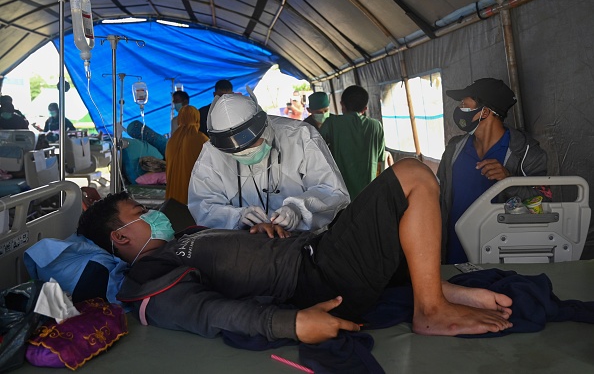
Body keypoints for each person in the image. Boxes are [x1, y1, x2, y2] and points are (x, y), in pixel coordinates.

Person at [77, 158, 513, 344]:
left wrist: (258, 236)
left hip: (311, 250)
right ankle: (431, 308)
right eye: (140, 211)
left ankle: (434, 287)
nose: (154, 213)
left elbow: (230, 259)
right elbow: (204, 313)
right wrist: (292, 323)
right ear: (121, 237)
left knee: (400, 219)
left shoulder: (181, 240)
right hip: (317, 274)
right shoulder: (150, 275)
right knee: (413, 174)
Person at [187, 92, 350, 232]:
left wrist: (299, 209)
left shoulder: (300, 136)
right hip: (243, 243)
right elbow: (203, 204)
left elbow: (332, 190)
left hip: (301, 241)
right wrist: (237, 217)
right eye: (236, 152)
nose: (247, 153)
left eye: (252, 144)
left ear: (264, 125)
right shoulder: (212, 152)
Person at [437, 78, 548, 264]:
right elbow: (439, 195)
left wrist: (509, 182)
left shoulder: (527, 153)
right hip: (453, 256)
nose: (458, 109)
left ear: (485, 112)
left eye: (465, 105)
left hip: (502, 257)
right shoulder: (454, 150)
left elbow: (543, 203)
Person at [319, 85, 385, 199]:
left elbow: (315, 149)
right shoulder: (376, 126)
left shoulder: (331, 123)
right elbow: (380, 161)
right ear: (365, 109)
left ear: (342, 105)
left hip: (340, 194)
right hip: (368, 194)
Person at [165, 105, 209, 205]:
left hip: (173, 197)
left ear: (179, 119)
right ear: (197, 119)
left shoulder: (171, 141)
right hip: (195, 198)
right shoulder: (202, 140)